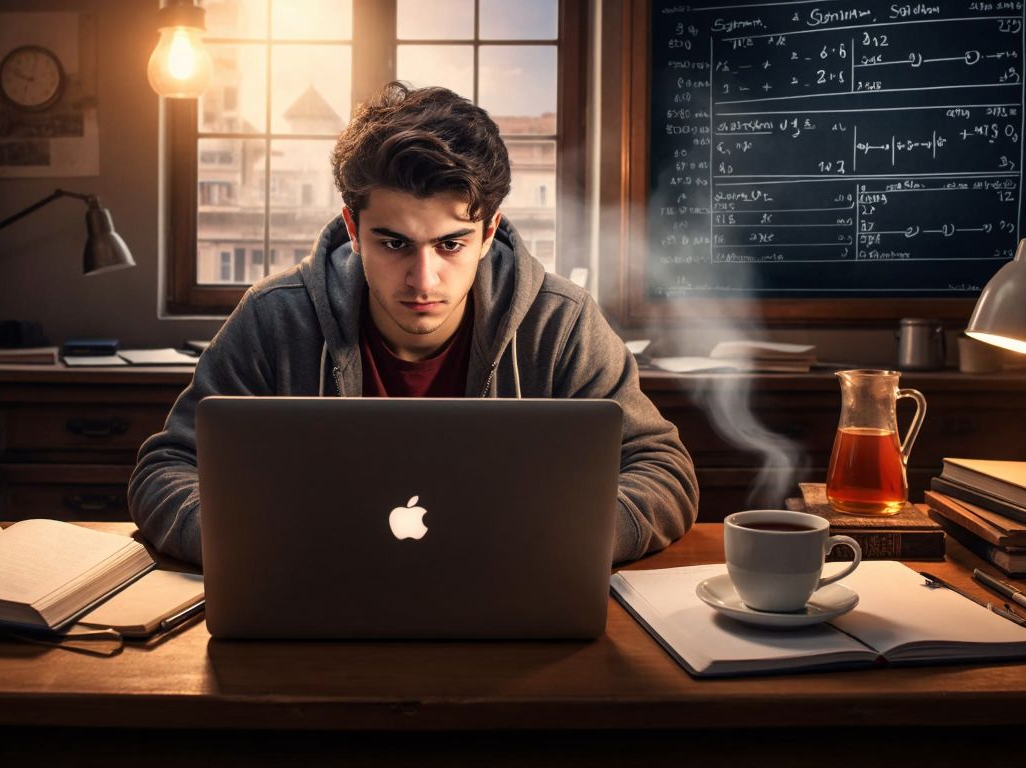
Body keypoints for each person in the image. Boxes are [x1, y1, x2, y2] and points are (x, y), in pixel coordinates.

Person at [129, 82, 698, 565]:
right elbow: (167, 469)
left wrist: (560, 543)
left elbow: (662, 470)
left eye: (451, 244)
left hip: (508, 614)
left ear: (490, 231)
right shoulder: (274, 317)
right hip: (315, 613)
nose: (422, 280)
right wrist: (264, 545)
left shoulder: (562, 322)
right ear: (353, 229)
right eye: (394, 243)